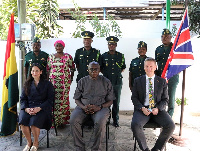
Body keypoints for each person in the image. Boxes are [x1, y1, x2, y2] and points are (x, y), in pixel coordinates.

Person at [131, 57, 175, 151]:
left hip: (157, 110)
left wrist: (158, 108)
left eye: (151, 66)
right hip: (143, 109)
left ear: (155, 67)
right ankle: (145, 149)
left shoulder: (162, 81)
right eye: (146, 66)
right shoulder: (137, 81)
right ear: (144, 68)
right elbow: (134, 98)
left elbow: (165, 99)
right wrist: (142, 108)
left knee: (170, 125)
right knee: (135, 124)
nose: (149, 68)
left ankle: (157, 149)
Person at [70, 61, 115, 151]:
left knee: (100, 122)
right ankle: (80, 147)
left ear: (100, 70)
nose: (94, 71)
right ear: (88, 70)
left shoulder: (106, 82)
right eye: (91, 69)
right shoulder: (82, 81)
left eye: (96, 69)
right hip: (83, 107)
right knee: (73, 120)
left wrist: (100, 107)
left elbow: (111, 100)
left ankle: (96, 148)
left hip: (100, 108)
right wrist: (83, 107)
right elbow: (76, 99)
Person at [18, 63, 55, 151]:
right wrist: (26, 109)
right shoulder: (27, 83)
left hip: (42, 108)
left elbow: (50, 100)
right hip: (29, 108)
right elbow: (23, 99)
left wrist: (39, 108)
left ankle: (36, 142)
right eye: (33, 71)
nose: (34, 73)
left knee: (34, 121)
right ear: (31, 72)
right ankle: (29, 142)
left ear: (41, 72)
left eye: (37, 71)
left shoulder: (47, 84)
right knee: (22, 120)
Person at [47, 40, 75, 127]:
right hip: (53, 84)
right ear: (55, 47)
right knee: (54, 101)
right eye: (57, 46)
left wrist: (70, 78)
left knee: (64, 101)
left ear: (63, 47)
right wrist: (48, 81)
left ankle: (63, 121)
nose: (58, 47)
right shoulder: (50, 57)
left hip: (65, 84)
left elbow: (73, 68)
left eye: (60, 46)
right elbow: (48, 69)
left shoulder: (68, 57)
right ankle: (54, 121)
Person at [100, 36, 126, 127]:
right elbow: (101, 68)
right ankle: (107, 119)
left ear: (116, 45)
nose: (111, 46)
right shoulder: (103, 56)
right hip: (106, 82)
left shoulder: (120, 56)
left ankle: (115, 120)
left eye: (113, 44)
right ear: (108, 45)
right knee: (107, 101)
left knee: (116, 102)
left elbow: (123, 67)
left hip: (117, 82)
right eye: (110, 44)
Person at [155, 29, 179, 117]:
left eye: (167, 36)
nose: (165, 38)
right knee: (161, 98)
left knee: (171, 97)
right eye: (163, 36)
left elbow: (179, 63)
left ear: (170, 37)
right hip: (161, 77)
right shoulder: (158, 49)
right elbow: (156, 64)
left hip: (172, 77)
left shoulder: (175, 48)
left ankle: (169, 117)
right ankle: (161, 116)